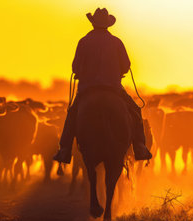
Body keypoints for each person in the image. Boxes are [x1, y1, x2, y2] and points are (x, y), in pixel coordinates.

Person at [53, 8, 153, 164]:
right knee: (135, 111)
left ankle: (64, 150)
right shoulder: (116, 42)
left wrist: (82, 72)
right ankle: (140, 146)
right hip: (113, 89)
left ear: (93, 24)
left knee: (72, 114)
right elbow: (126, 65)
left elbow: (75, 67)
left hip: (88, 90)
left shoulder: (84, 41)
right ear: (108, 24)